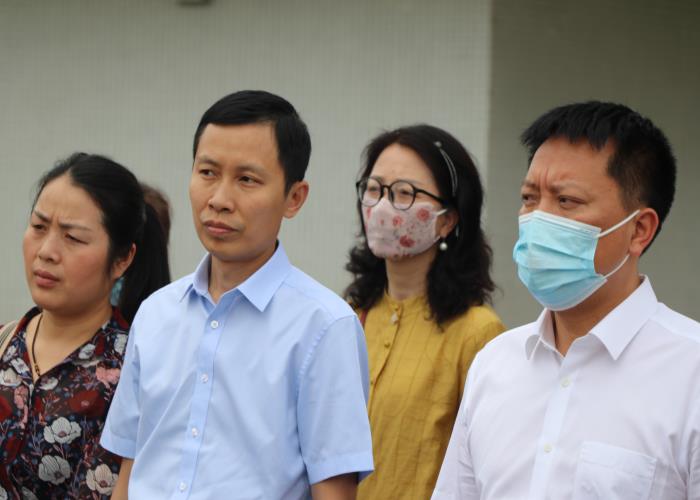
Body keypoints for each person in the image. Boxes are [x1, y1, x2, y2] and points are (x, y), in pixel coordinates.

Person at [101, 90, 374, 499]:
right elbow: (130, 471)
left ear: (294, 198)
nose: (219, 200)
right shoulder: (156, 313)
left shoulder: (324, 326)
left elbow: (333, 490)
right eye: (207, 172)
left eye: (247, 179)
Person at [433, 101, 700, 499]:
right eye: (529, 198)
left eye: (566, 201)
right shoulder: (495, 364)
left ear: (639, 230)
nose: (538, 219)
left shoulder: (690, 373)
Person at [345, 124, 505, 500]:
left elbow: (489, 467)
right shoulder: (349, 316)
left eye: (404, 193)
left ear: (447, 219)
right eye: (374, 189)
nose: (383, 206)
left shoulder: (477, 333)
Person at [0, 153, 170, 499]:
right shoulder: (5, 341)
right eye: (38, 227)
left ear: (122, 259)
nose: (46, 251)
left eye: (73, 238)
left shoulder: (131, 372)